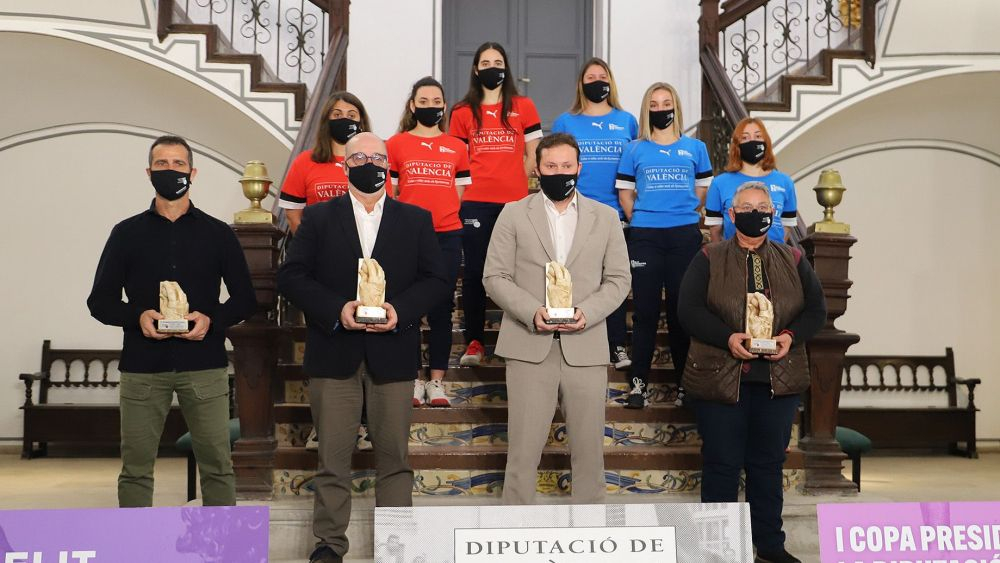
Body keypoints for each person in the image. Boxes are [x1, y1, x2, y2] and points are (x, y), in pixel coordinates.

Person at [276, 132, 449, 563]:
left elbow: (436, 280)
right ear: (344, 165)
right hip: (334, 352)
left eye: (377, 157)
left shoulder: (416, 219)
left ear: (388, 165)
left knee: (395, 458)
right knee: (332, 458)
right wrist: (337, 309)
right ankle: (329, 545)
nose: (369, 163)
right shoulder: (318, 218)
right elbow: (292, 276)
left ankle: (397, 545)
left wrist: (400, 310)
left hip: (394, 351)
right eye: (359, 157)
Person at [87, 135, 256, 507]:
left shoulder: (218, 234)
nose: (170, 170)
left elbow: (246, 299)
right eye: (161, 164)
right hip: (143, 368)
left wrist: (211, 319)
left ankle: (221, 539)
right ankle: (136, 538)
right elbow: (99, 302)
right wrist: (138, 316)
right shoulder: (126, 233)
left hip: (204, 366)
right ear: (149, 173)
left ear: (193, 173)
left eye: (178, 163)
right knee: (135, 469)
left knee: (217, 467)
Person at [677, 182, 826, 563]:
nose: (755, 213)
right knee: (721, 464)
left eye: (762, 207)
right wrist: (727, 338)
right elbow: (688, 310)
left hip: (778, 379)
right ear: (731, 214)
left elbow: (816, 310)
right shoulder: (708, 257)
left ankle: (770, 548)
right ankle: (717, 550)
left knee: (768, 465)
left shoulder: (794, 258)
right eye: (746, 207)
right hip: (720, 377)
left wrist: (790, 337)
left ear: (773, 214)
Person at [483, 133, 630, 505]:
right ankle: (516, 528)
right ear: (537, 169)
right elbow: (495, 276)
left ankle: (591, 529)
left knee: (590, 454)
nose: (559, 172)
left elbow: (619, 279)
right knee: (522, 454)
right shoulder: (513, 213)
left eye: (566, 165)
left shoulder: (606, 217)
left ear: (579, 168)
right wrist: (531, 311)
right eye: (551, 166)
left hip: (586, 346)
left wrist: (588, 313)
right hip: (529, 346)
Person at [615, 82, 713, 409]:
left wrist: (681, 212)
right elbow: (625, 194)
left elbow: (702, 190)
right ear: (647, 109)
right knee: (644, 313)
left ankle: (685, 386)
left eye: (666, 102)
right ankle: (638, 386)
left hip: (684, 236)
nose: (660, 109)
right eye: (654, 104)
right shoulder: (634, 149)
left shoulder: (696, 147)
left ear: (676, 106)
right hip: (645, 236)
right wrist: (643, 218)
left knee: (679, 313)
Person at [449, 41, 543, 367]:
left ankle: (517, 339)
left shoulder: (523, 106)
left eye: (498, 62)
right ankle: (475, 342)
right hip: (475, 203)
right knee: (476, 272)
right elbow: (457, 160)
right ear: (476, 70)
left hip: (515, 203)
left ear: (506, 67)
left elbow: (534, 152)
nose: (492, 67)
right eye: (486, 63)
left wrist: (518, 179)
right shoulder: (462, 112)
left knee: (518, 272)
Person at [387, 77, 471, 408]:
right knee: (407, 307)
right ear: (412, 106)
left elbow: (458, 193)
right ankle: (411, 378)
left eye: (436, 101)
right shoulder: (396, 144)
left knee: (441, 308)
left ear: (444, 106)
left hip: (447, 235)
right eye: (423, 101)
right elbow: (391, 192)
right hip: (408, 236)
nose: (430, 106)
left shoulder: (457, 147)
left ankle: (436, 381)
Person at [552, 57, 638, 370]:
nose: (597, 81)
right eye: (591, 77)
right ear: (581, 84)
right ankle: (572, 341)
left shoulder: (627, 121)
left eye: (603, 76)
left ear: (610, 82)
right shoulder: (566, 121)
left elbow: (635, 167)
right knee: (578, 280)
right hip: (575, 211)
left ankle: (616, 345)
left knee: (612, 282)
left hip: (615, 214)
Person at [278, 91, 376, 234]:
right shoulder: (304, 161)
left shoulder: (375, 164)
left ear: (361, 123)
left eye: (351, 116)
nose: (344, 119)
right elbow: (293, 215)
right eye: (337, 114)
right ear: (327, 121)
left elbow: (382, 212)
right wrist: (308, 243)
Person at [705, 117, 798, 243]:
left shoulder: (785, 182)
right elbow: (715, 230)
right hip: (733, 252)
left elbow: (787, 225)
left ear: (766, 141)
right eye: (745, 137)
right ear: (737, 145)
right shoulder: (719, 183)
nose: (752, 141)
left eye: (758, 136)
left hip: (773, 253)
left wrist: (775, 249)